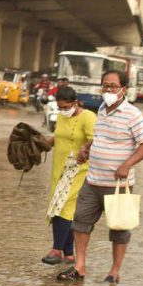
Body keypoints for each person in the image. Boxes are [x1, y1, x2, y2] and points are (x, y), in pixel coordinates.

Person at [56, 70, 143, 283]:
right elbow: (99, 137)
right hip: (92, 180)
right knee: (80, 222)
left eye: (112, 86)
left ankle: (114, 272)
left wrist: (127, 165)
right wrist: (86, 149)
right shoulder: (101, 109)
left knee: (119, 229)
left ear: (123, 89)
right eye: (105, 85)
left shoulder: (133, 114)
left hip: (118, 184)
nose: (108, 90)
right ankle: (80, 267)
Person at [42, 86, 97, 265]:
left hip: (78, 169)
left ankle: (56, 250)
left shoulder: (88, 117)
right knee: (64, 207)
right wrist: (40, 143)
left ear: (75, 102)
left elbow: (95, 138)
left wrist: (84, 150)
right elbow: (59, 138)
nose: (63, 111)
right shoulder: (60, 117)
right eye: (60, 108)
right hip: (60, 168)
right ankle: (69, 254)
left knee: (62, 206)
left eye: (66, 107)